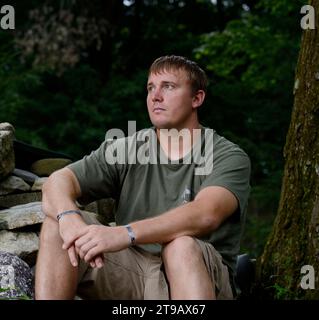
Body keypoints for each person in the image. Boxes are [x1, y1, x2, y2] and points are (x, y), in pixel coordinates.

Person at [35, 55, 251, 300]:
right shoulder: (127, 148)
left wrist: (124, 233)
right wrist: (68, 217)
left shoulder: (228, 155)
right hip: (134, 272)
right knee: (56, 225)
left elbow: (206, 214)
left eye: (168, 86)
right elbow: (59, 181)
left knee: (180, 246)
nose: (155, 96)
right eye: (150, 88)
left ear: (197, 98)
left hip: (199, 275)